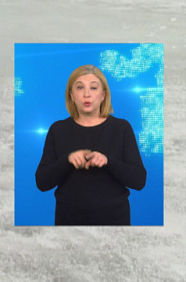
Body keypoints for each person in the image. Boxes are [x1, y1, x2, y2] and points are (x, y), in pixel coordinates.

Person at [35, 65, 146, 225]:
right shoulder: (57, 130)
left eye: (93, 88)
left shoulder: (121, 128)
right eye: (80, 87)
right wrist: (67, 161)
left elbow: (139, 180)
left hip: (114, 223)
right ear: (71, 95)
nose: (86, 94)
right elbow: (42, 182)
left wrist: (108, 162)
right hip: (68, 224)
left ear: (103, 95)